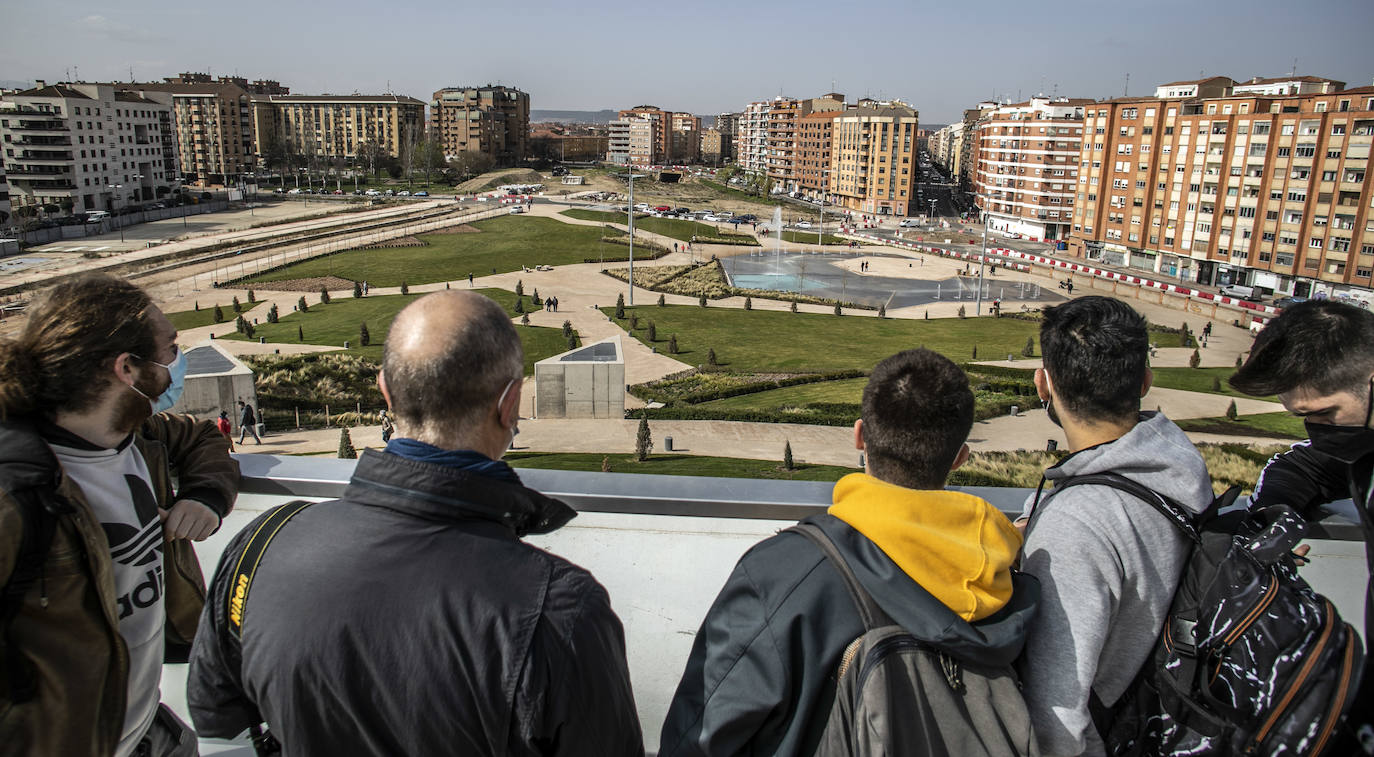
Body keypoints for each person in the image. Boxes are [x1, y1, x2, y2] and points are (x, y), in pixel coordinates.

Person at [189, 291, 642, 755]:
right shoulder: (560, 609)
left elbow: (218, 722)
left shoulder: (261, 546)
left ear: (385, 390)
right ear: (510, 405)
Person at [659, 349, 1038, 756]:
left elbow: (699, 738)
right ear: (961, 458)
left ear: (859, 436)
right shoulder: (1007, 579)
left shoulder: (783, 573)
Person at [0, 273, 239, 756]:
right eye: (170, 348)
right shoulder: (16, 495)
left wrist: (206, 497)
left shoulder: (133, 434)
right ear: (127, 368)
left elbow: (201, 438)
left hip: (145, 728)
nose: (178, 360)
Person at [1016, 296, 1214, 756]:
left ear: (1042, 385)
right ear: (1144, 381)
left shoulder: (1078, 524)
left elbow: (1057, 715)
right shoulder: (1179, 464)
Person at [1229, 300, 1374, 753]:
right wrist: (1274, 525)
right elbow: (1302, 468)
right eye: (1303, 418)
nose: (1316, 431)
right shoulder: (1362, 443)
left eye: (1326, 414)